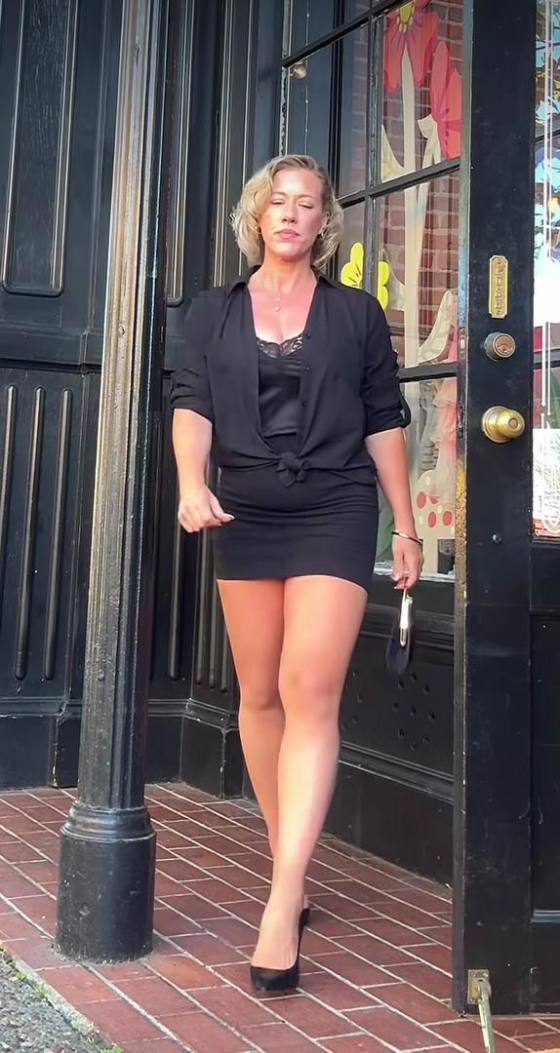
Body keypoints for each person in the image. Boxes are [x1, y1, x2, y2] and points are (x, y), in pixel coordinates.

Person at [170, 154, 423, 993]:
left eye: (306, 203)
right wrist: (191, 483)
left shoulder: (355, 313)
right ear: (257, 216)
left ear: (323, 223)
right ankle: (293, 862)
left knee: (308, 685)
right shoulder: (212, 311)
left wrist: (407, 526)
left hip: (336, 504)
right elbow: (192, 404)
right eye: (277, 201)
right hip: (244, 507)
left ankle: (282, 900)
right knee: (259, 693)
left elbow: (384, 420)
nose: (290, 213)